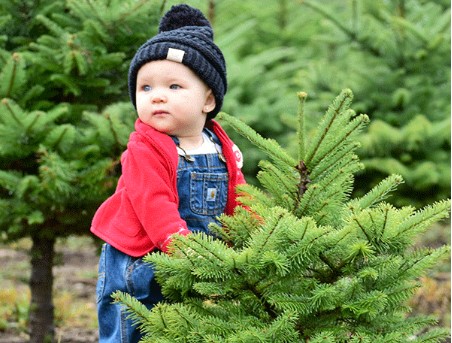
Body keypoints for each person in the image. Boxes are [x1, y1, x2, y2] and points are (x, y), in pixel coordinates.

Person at [90, 4, 246, 343]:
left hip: (195, 259)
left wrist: (255, 234)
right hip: (141, 260)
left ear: (208, 100)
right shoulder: (145, 147)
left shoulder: (219, 145)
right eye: (145, 88)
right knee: (134, 326)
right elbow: (152, 201)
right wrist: (183, 247)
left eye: (174, 87)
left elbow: (239, 194)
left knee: (185, 327)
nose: (157, 96)